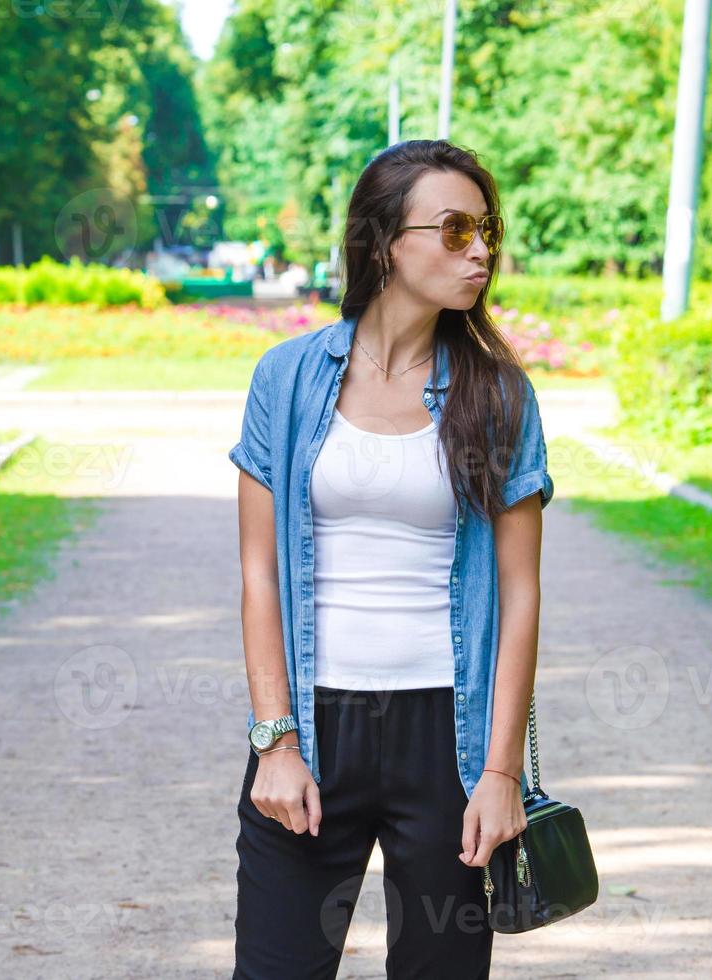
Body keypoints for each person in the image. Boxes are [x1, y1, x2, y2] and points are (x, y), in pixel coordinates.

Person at [229, 138, 552, 979]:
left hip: (447, 740)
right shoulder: (288, 378)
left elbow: (520, 597)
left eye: (486, 228)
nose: (479, 249)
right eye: (453, 229)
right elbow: (259, 573)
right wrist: (275, 744)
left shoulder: (499, 395)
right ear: (383, 243)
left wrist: (500, 774)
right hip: (311, 730)